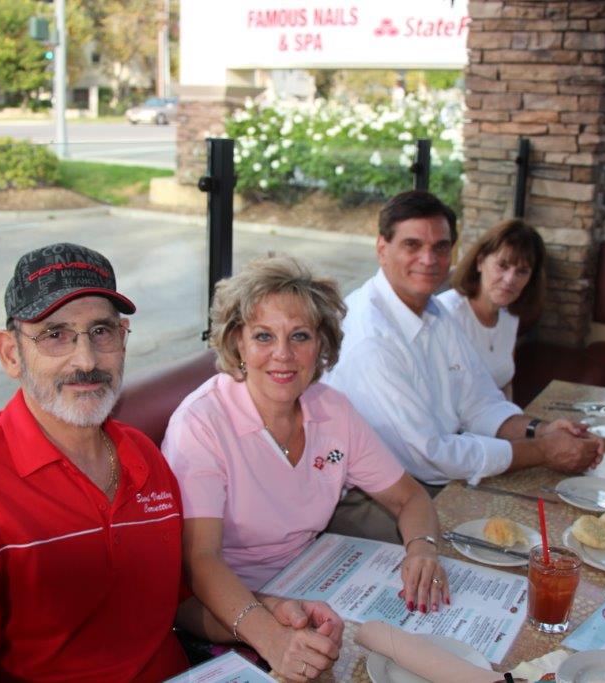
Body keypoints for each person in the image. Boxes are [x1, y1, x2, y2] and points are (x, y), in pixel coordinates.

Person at [0, 243, 188, 683]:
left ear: (123, 339)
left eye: (101, 332)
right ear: (11, 354)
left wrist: (265, 618)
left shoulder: (144, 457)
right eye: (55, 335)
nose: (86, 360)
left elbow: (177, 603)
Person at [162, 256, 449, 682]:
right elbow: (200, 560)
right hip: (224, 608)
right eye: (263, 336)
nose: (283, 354)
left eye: (300, 336)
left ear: (322, 345)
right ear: (237, 342)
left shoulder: (332, 409)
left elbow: (409, 497)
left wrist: (423, 547)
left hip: (314, 584)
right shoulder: (201, 424)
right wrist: (271, 636)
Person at [324, 191, 603, 540]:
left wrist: (540, 430)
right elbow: (431, 456)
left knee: (553, 522)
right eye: (412, 245)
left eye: (441, 247)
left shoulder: (433, 310)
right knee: (512, 540)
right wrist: (543, 452)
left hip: (426, 477)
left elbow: (479, 400)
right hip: (368, 500)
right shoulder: (371, 340)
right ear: (382, 248)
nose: (429, 259)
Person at [438, 218, 546, 399]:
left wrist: (516, 424)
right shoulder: (446, 314)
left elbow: (504, 384)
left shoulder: (509, 316)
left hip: (493, 423)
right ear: (480, 262)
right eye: (502, 265)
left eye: (522, 271)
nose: (510, 279)